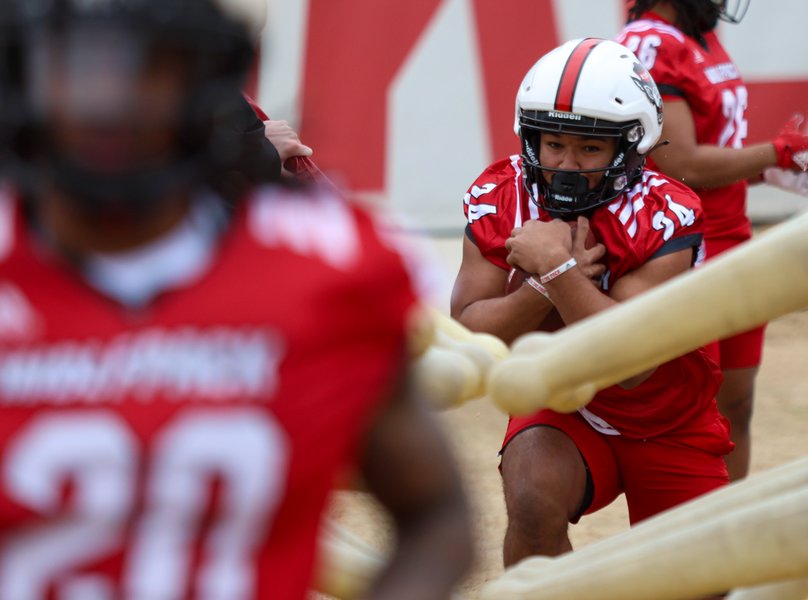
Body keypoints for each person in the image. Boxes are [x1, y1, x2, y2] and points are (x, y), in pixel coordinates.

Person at [0, 1, 472, 598]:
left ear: (204, 78)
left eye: (144, 66)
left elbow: (435, 515)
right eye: (76, 65)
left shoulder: (327, 269)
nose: (106, 100)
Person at [450, 38, 732, 567]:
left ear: (629, 148)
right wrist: (542, 284)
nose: (566, 164)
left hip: (669, 414)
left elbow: (628, 362)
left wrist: (556, 270)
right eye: (553, 143)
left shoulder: (669, 210)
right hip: (560, 400)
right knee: (532, 506)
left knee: (694, 581)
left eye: (589, 148)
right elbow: (470, 330)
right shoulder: (502, 192)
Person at [617, 0, 808, 479]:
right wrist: (772, 153)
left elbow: (712, 151)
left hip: (733, 237)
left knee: (738, 402)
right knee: (696, 409)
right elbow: (681, 164)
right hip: (683, 244)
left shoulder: (700, 34)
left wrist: (766, 169)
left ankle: (731, 518)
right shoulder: (651, 44)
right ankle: (691, 522)